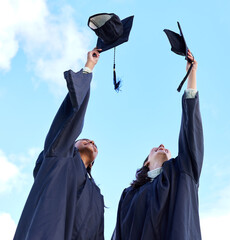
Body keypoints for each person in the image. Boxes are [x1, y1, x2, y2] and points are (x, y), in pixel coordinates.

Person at [111, 51, 204, 240]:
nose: (162, 145)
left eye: (166, 149)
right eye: (155, 148)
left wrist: (191, 75)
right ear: (146, 163)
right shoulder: (129, 196)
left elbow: (191, 132)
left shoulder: (182, 172)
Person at [14, 49, 105, 240]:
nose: (92, 142)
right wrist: (89, 68)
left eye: (95, 144)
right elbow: (71, 119)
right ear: (72, 143)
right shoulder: (60, 155)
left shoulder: (96, 196)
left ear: (92, 164)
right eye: (84, 139)